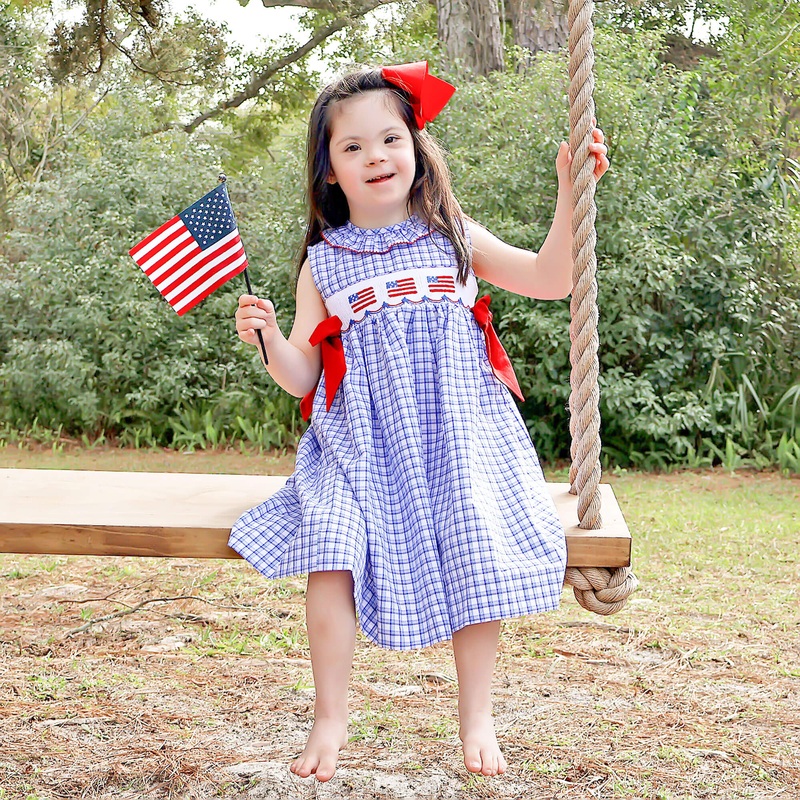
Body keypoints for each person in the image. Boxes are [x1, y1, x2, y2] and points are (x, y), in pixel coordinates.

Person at [230, 62, 609, 782]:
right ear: (330, 171)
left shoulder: (451, 235)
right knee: (331, 547)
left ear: (415, 147)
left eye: (390, 138)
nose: (375, 156)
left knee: (471, 537)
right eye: (352, 148)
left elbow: (549, 278)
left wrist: (571, 191)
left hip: (461, 438)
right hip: (359, 446)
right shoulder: (323, 264)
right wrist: (272, 342)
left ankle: (477, 717)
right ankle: (330, 715)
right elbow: (305, 379)